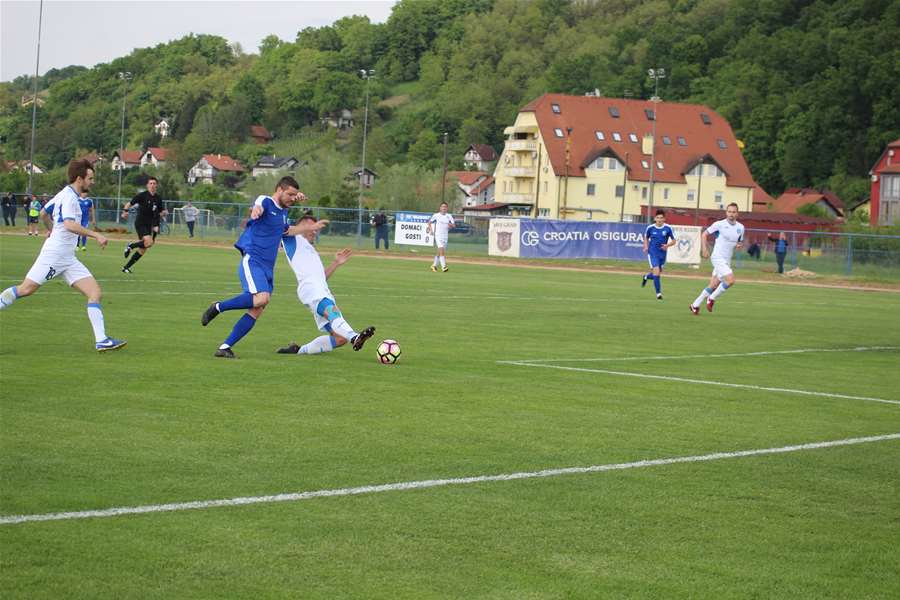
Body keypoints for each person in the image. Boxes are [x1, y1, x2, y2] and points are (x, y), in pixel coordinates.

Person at [0, 159, 126, 351]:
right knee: (26, 289)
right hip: (55, 254)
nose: (92, 182)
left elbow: (43, 213)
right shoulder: (69, 198)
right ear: (79, 178)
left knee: (94, 293)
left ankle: (101, 340)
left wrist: (50, 230)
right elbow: (69, 224)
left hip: (67, 258)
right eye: (90, 178)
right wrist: (95, 234)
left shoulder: (64, 194)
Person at [200, 176, 327, 358]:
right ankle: (218, 307)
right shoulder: (266, 201)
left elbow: (287, 230)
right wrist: (256, 210)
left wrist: (310, 227)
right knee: (261, 298)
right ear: (279, 190)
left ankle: (225, 347)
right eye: (289, 194)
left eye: (294, 195)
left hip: (268, 267)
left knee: (258, 308)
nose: (292, 198)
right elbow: (258, 205)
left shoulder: (283, 212)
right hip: (253, 260)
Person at [276, 214, 375, 355]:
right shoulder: (292, 239)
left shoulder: (312, 251)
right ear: (301, 226)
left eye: (316, 228)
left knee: (340, 338)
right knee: (332, 313)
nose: (314, 230)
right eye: (311, 226)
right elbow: (282, 228)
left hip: (321, 289)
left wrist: (336, 263)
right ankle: (354, 336)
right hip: (309, 288)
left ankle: (299, 350)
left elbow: (322, 277)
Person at [690, 202, 745, 315]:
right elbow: (704, 234)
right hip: (717, 257)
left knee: (714, 285)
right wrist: (704, 249)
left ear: (737, 214)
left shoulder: (741, 227)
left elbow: (739, 242)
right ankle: (712, 298)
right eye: (729, 211)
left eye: (733, 212)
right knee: (730, 280)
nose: (731, 214)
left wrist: (739, 245)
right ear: (726, 212)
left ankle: (695, 305)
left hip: (727, 259)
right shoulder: (719, 224)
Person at [121, 177, 167, 273]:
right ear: (147, 185)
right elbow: (129, 204)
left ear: (156, 185)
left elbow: (161, 210)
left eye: (154, 183)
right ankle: (131, 245)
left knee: (144, 248)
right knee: (149, 242)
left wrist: (164, 213)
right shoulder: (142, 195)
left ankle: (126, 268)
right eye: (150, 183)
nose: (152, 185)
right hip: (140, 223)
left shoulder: (158, 198)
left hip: (151, 224)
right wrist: (125, 211)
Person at [641, 209, 676, 300]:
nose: (659, 220)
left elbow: (674, 241)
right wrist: (645, 246)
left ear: (664, 219)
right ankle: (658, 294)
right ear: (655, 219)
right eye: (658, 218)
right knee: (656, 272)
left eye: (661, 218)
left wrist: (667, 245)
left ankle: (646, 276)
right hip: (652, 253)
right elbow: (646, 237)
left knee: (657, 274)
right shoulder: (650, 228)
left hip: (662, 254)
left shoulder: (668, 228)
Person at [427, 201, 455, 272]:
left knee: (439, 253)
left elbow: (454, 225)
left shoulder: (449, 216)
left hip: (445, 236)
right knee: (442, 250)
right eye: (442, 207)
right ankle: (444, 267)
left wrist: (450, 225)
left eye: (445, 207)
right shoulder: (436, 215)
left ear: (447, 208)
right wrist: (431, 230)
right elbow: (429, 222)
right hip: (438, 235)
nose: (444, 208)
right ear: (440, 208)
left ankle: (434, 265)